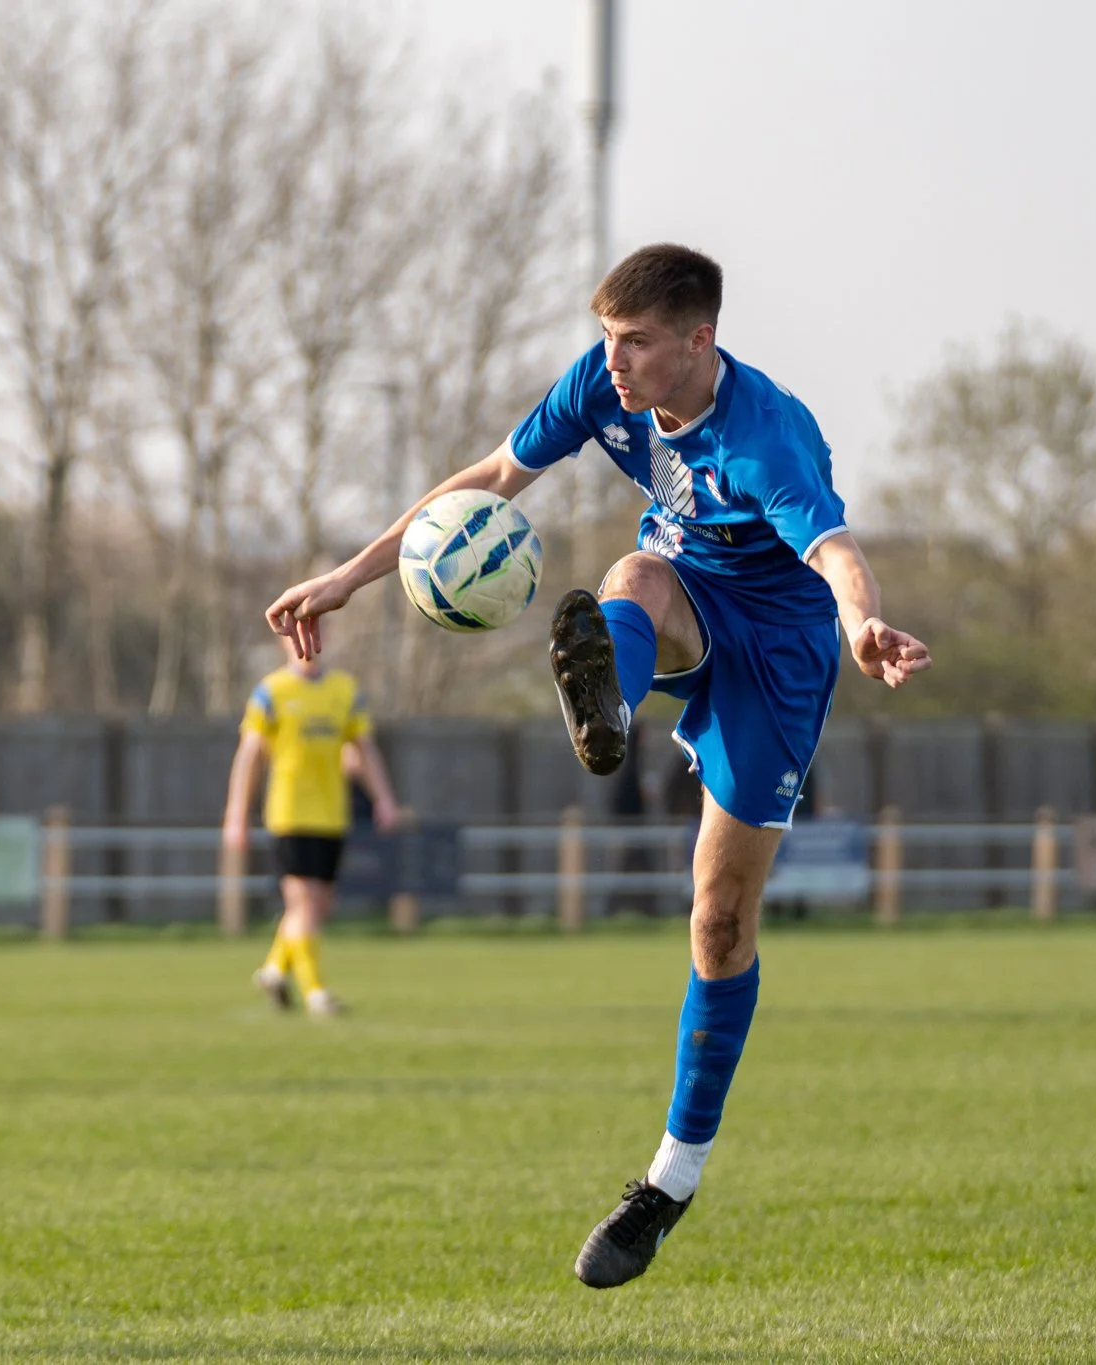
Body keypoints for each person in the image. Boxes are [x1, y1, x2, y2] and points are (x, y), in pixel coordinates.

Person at [263, 244, 930, 1287]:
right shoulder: (600, 384)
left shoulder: (766, 437)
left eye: (635, 343)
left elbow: (834, 548)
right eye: (606, 338)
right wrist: (349, 577)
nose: (611, 361)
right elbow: (487, 481)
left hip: (783, 655)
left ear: (696, 340)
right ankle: (606, 700)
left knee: (716, 918)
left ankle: (672, 1175)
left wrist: (861, 622)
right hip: (678, 599)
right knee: (632, 571)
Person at [221, 630, 400, 1017]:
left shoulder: (344, 691)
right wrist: (236, 813)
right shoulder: (271, 692)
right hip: (289, 813)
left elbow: (363, 749)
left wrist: (384, 798)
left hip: (331, 814)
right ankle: (316, 992)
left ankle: (273, 970)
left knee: (319, 904)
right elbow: (250, 755)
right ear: (284, 643)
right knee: (302, 902)